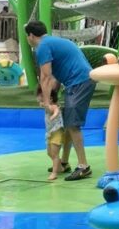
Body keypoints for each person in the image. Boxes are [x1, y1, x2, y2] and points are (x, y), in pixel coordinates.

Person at [24, 21, 95, 181]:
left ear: (31, 36)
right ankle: (64, 162)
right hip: (79, 80)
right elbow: (55, 77)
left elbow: (46, 76)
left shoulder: (42, 46)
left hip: (79, 81)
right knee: (68, 123)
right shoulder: (53, 42)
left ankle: (83, 166)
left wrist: (48, 101)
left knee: (72, 125)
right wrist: (52, 95)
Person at [37, 86, 69, 181]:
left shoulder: (54, 106)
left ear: (50, 99)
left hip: (57, 132)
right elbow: (43, 105)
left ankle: (54, 173)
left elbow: (56, 111)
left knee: (55, 154)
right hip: (50, 133)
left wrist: (54, 116)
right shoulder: (46, 105)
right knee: (49, 153)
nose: (39, 99)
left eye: (41, 97)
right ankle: (60, 167)